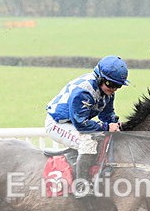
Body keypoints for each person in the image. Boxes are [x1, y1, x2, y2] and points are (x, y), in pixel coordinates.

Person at [45, 55, 128, 190]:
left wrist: (117, 125)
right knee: (88, 143)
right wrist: (107, 127)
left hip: (73, 122)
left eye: (118, 85)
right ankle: (81, 186)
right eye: (110, 84)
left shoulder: (108, 92)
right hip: (57, 123)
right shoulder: (84, 91)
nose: (113, 89)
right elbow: (81, 124)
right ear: (100, 78)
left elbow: (107, 115)